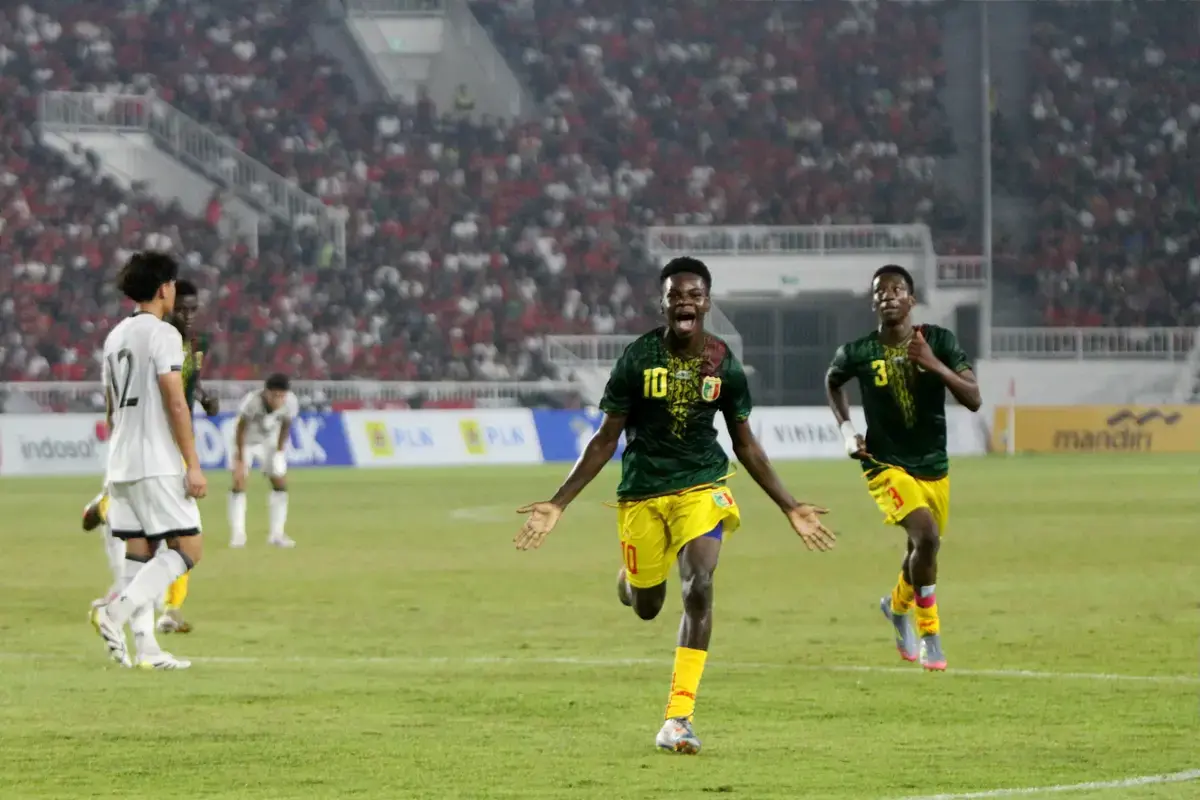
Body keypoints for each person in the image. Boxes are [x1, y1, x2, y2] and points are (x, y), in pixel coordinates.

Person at [515, 256, 836, 755]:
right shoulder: (637, 358)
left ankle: (678, 718)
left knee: (700, 583)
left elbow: (745, 443)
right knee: (647, 605)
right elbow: (605, 439)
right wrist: (559, 503)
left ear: (706, 302)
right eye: (675, 295)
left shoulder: (723, 363)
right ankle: (631, 577)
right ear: (663, 304)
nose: (684, 302)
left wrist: (789, 506)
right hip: (643, 491)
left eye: (693, 294)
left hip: (702, 485)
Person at [824, 264, 981, 673]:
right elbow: (833, 380)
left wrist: (934, 364)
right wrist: (846, 431)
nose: (887, 296)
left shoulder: (938, 341)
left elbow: (974, 398)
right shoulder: (858, 351)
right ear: (873, 302)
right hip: (883, 463)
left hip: (933, 465)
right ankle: (930, 634)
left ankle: (895, 608)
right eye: (880, 291)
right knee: (926, 535)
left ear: (911, 300)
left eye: (897, 290)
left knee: (920, 550)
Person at [91, 252, 207, 670]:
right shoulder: (163, 335)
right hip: (154, 459)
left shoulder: (115, 336)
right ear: (163, 288)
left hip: (121, 459)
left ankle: (145, 649)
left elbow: (109, 408)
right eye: (173, 284)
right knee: (189, 546)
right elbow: (176, 401)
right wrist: (192, 463)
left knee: (138, 553)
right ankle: (113, 612)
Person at [228, 374, 299, 548]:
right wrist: (240, 457)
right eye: (275, 396)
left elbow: (286, 425)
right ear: (267, 393)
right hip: (245, 441)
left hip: (268, 441)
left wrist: (280, 451)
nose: (279, 400)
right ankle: (238, 534)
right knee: (239, 482)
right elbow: (240, 428)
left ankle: (277, 534)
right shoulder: (251, 402)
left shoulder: (290, 402)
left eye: (282, 396)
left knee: (279, 483)